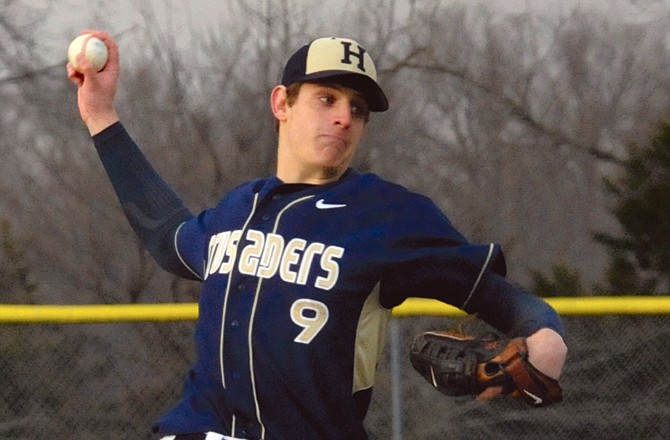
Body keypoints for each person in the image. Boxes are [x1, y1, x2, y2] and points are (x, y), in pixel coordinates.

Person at [68, 30, 567, 440]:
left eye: (358, 108)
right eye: (326, 98)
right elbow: (168, 235)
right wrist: (101, 117)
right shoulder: (239, 207)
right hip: (198, 430)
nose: (343, 117)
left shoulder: (387, 215)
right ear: (281, 102)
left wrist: (545, 337)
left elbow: (502, 300)